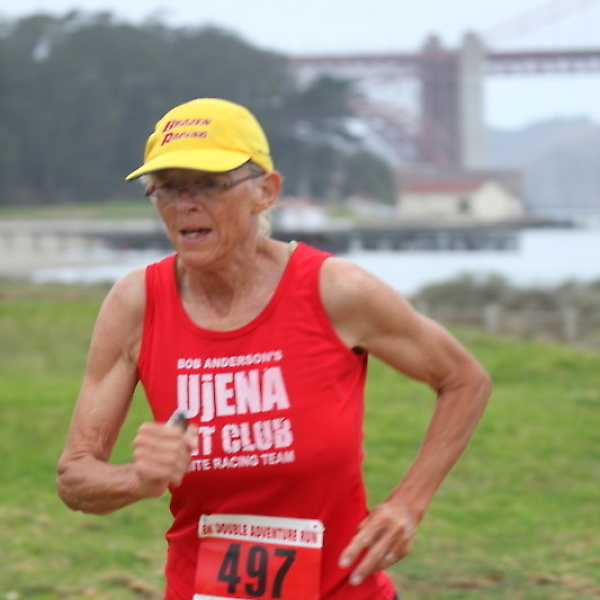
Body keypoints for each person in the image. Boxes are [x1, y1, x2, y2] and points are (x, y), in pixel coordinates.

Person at [56, 97, 491, 600]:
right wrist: (138, 479)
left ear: (266, 191)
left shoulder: (335, 291)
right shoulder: (136, 303)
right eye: (168, 187)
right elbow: (74, 476)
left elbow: (464, 380)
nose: (184, 204)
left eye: (209, 184)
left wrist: (409, 503)